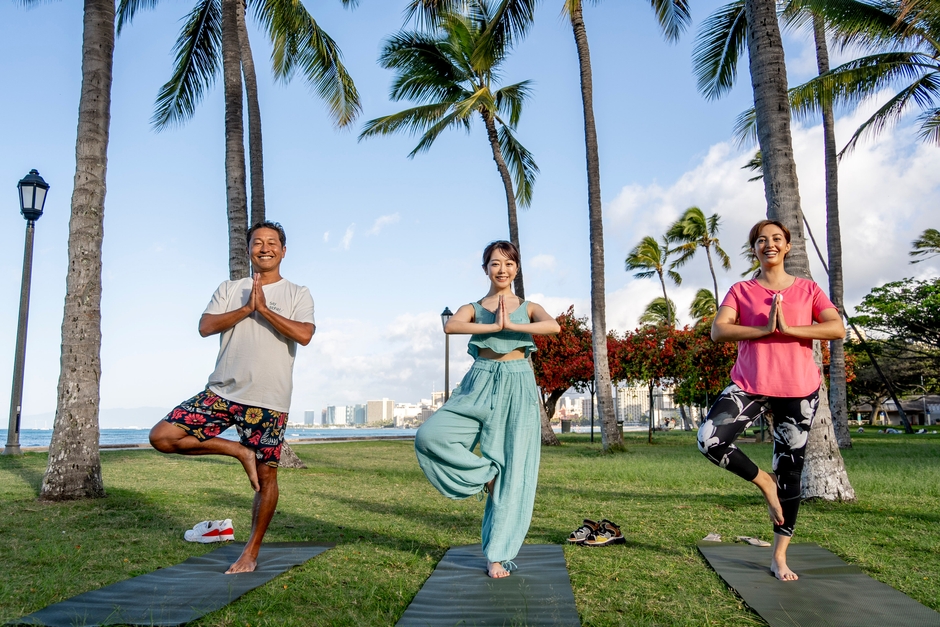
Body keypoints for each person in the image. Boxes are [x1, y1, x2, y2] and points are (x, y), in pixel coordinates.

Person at [149, 221, 315, 574]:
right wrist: (247, 308)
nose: (265, 247)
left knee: (267, 479)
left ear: (283, 251)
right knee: (162, 437)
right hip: (221, 391)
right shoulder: (229, 288)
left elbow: (304, 335)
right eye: (258, 242)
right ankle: (238, 450)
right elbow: (205, 327)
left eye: (272, 243)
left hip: (268, 400)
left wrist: (266, 310)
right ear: (249, 250)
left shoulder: (299, 293)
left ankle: (250, 553)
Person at [697, 219, 844, 581]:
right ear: (755, 249)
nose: (769, 244)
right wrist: (764, 330)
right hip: (750, 384)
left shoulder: (808, 290)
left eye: (776, 238)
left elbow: (836, 328)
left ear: (788, 246)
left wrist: (790, 329)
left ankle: (779, 556)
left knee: (790, 474)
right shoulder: (742, 290)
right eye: (761, 240)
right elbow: (720, 330)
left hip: (798, 389)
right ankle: (764, 481)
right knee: (708, 439)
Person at [414, 240, 560, 578]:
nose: (502, 270)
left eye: (509, 264)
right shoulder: (474, 306)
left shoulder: (528, 305)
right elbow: (451, 326)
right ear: (486, 269)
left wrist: (513, 327)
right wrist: (493, 326)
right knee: (429, 436)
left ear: (517, 269)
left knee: (515, 472)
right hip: (479, 381)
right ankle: (485, 475)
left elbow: (553, 326)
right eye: (495, 263)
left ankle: (497, 556)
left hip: (519, 382)